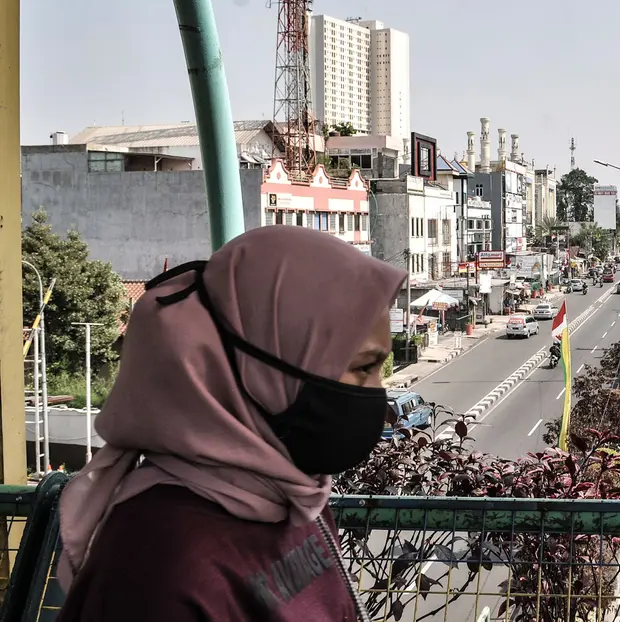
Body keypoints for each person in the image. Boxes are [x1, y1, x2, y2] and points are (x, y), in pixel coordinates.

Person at [55, 225, 406, 621]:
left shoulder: (293, 496)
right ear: (261, 370)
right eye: (363, 368)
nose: (380, 395)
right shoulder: (163, 567)